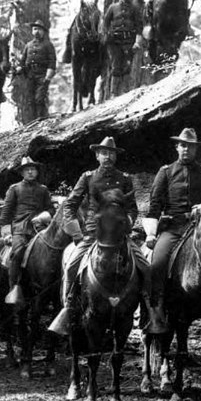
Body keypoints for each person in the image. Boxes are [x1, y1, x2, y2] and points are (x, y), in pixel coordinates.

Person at [48, 136, 152, 335]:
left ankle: (148, 310)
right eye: (104, 153)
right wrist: (76, 231)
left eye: (111, 153)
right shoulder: (87, 178)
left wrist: (127, 222)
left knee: (145, 266)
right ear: (97, 155)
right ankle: (68, 308)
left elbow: (132, 209)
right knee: (71, 267)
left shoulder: (124, 179)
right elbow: (70, 204)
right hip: (92, 234)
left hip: (119, 236)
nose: (108, 157)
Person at [144, 128, 201, 333]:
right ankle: (156, 312)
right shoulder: (166, 172)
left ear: (196, 149)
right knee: (157, 263)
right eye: (183, 145)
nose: (186, 149)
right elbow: (154, 206)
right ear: (177, 147)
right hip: (173, 229)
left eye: (191, 146)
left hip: (199, 228)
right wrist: (152, 233)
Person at [0, 156, 54, 306]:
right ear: (22, 172)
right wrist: (7, 234)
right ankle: (14, 289)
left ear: (36, 172)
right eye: (27, 169)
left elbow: (50, 208)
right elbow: (5, 214)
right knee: (17, 254)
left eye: (33, 169)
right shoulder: (14, 189)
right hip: (20, 229)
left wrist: (44, 216)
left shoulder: (43, 190)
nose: (30, 172)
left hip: (40, 229)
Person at [102, 0, 145, 98]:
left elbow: (139, 27)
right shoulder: (113, 7)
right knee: (116, 65)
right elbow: (105, 23)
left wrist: (137, 42)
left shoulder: (135, 9)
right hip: (114, 42)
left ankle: (125, 93)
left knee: (127, 66)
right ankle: (113, 94)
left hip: (129, 42)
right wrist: (107, 35)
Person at [15, 21, 56, 121]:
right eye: (35, 29)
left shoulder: (48, 45)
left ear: (43, 32)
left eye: (39, 29)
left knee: (39, 99)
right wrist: (20, 67)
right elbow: (23, 60)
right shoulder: (28, 45)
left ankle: (41, 119)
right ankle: (32, 121)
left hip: (42, 75)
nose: (37, 31)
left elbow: (52, 61)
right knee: (30, 100)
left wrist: (48, 76)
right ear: (32, 31)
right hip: (30, 75)